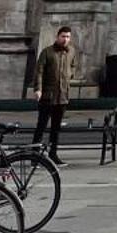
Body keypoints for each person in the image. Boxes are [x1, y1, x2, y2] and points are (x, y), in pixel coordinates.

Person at [33, 24, 73, 163]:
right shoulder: (47, 52)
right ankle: (34, 155)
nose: (65, 39)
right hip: (48, 96)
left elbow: (73, 66)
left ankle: (53, 154)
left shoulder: (70, 52)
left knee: (56, 128)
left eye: (68, 37)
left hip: (62, 96)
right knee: (41, 126)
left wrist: (69, 76)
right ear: (57, 37)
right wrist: (38, 89)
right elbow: (39, 71)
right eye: (63, 36)